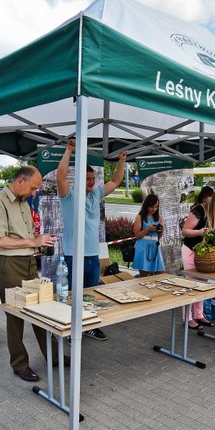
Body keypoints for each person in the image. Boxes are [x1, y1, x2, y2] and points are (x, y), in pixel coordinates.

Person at [0, 166, 67, 382]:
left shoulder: (23, 202)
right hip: (9, 264)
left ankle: (53, 355)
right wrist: (33, 242)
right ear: (20, 181)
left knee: (40, 309)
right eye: (33, 188)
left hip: (29, 262)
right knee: (15, 315)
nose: (34, 193)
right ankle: (19, 364)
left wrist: (39, 240)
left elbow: (24, 235)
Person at [56, 139, 125, 341]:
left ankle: (88, 326)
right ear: (77, 178)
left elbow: (116, 181)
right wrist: (69, 150)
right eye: (87, 178)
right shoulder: (68, 195)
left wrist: (121, 161)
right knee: (70, 295)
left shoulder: (96, 193)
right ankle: (69, 329)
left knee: (90, 294)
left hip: (92, 255)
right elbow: (60, 177)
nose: (91, 182)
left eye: (93, 178)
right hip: (73, 255)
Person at [181, 186, 215, 329]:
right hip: (190, 250)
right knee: (191, 284)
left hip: (203, 254)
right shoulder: (198, 211)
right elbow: (185, 231)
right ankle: (187, 317)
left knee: (203, 284)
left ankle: (199, 315)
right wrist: (200, 232)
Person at [132, 193, 166, 277]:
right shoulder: (140, 217)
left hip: (154, 245)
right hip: (143, 245)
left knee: (160, 272)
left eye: (156, 207)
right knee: (143, 273)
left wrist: (161, 230)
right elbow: (137, 236)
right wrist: (147, 229)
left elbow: (159, 236)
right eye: (151, 207)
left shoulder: (159, 217)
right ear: (146, 206)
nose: (154, 209)